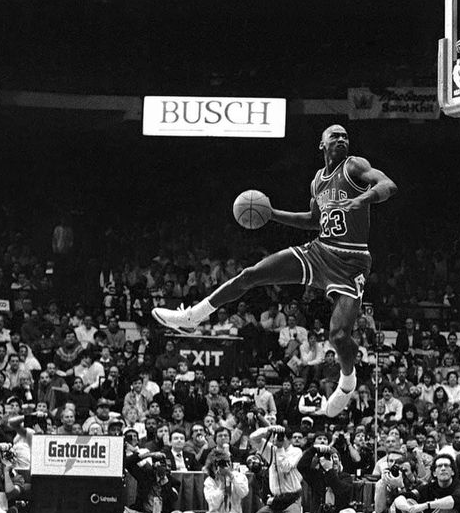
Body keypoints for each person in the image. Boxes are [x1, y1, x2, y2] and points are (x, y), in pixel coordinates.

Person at [153, 124, 397, 418]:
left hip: (351, 260)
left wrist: (361, 199)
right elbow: (313, 220)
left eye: (345, 136)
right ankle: (193, 316)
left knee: (339, 336)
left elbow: (387, 185)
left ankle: (347, 381)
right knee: (251, 275)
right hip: (319, 250)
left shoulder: (354, 166)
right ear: (321, 144)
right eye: (334, 136)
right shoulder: (318, 181)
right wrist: (272, 214)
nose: (342, 140)